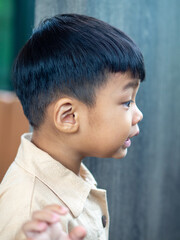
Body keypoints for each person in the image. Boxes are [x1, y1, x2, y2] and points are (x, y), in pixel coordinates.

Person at [0, 13, 145, 240]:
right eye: (127, 102)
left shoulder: (71, 171)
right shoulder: (31, 218)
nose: (139, 115)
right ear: (69, 117)